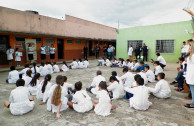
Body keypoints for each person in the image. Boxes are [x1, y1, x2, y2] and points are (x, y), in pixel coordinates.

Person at [185, 41, 194, 108]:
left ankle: (193, 104)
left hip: (192, 75)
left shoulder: (193, 55)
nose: (189, 47)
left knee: (193, 90)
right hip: (191, 74)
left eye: (190, 46)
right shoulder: (191, 55)